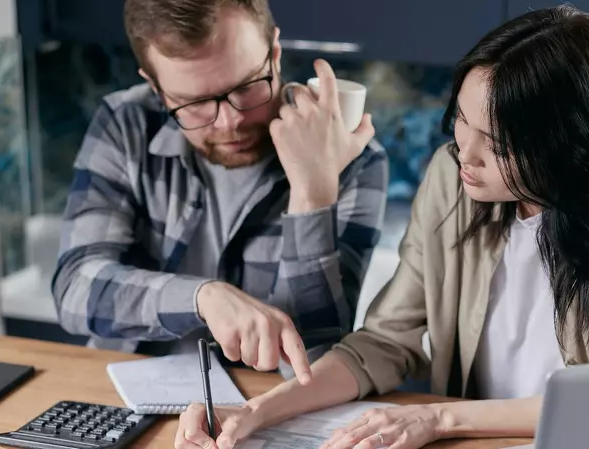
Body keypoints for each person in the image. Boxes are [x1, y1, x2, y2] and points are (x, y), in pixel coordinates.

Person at [174, 4, 589, 449]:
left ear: (566, 145)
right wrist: (258, 411)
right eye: (462, 120)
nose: (464, 152)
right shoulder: (453, 178)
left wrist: (439, 418)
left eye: (498, 143)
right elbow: (384, 343)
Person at [51, 0, 389, 383]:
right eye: (193, 103)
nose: (230, 122)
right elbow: (74, 289)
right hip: (126, 389)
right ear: (156, 89)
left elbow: (315, 362)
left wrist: (312, 195)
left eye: (246, 87)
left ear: (274, 54)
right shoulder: (126, 123)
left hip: (264, 409)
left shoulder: (352, 158)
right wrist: (203, 298)